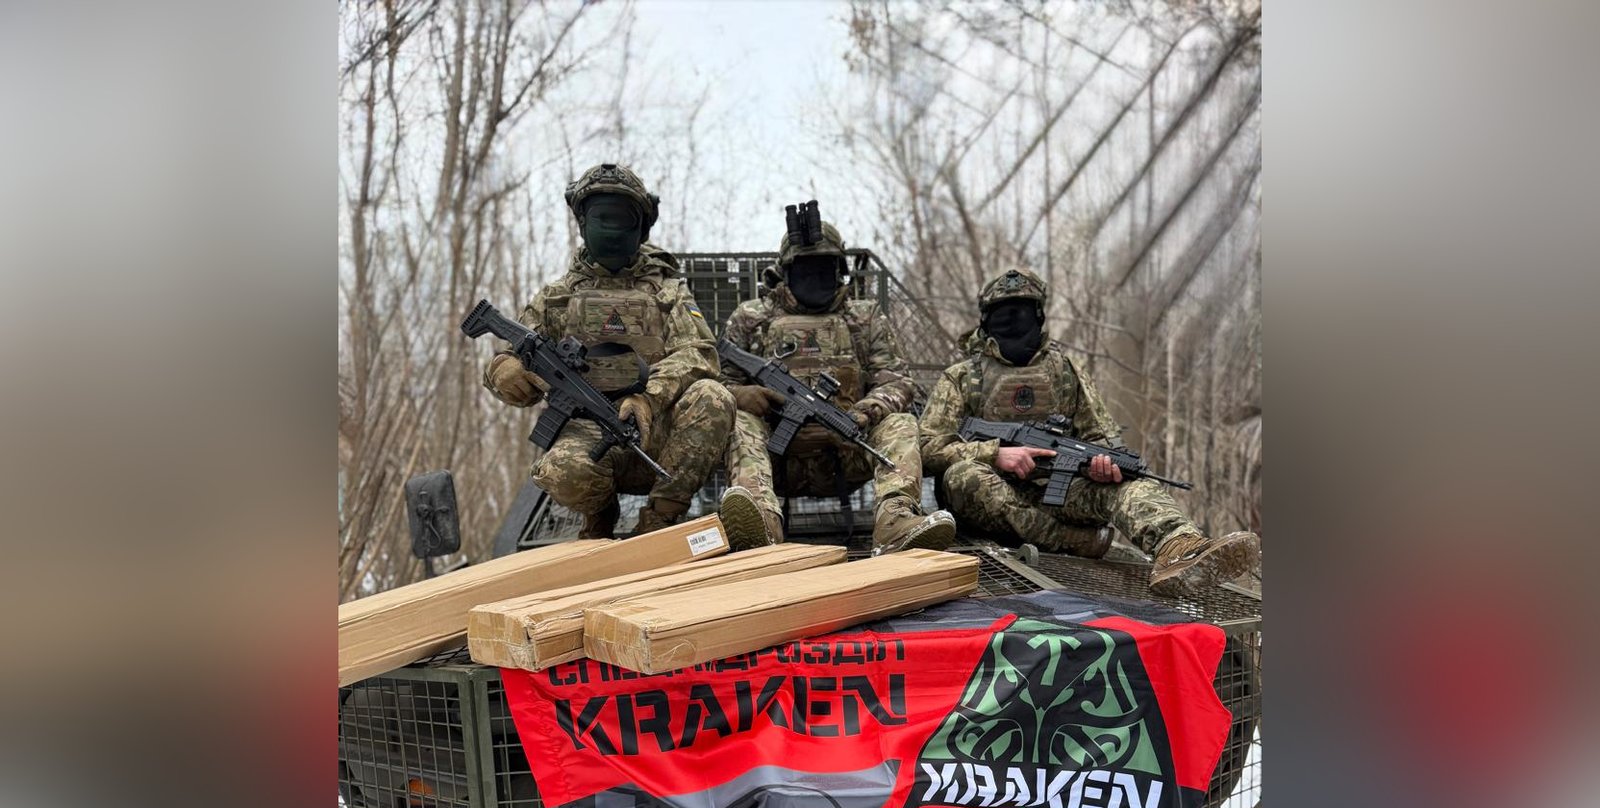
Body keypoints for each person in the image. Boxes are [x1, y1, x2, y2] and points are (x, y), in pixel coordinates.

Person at [920, 266, 1260, 597]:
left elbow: (1099, 437)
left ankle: (1179, 548)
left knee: (1131, 483)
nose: (1013, 320)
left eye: (1022, 310)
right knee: (963, 477)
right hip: (989, 501)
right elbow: (926, 446)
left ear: (1038, 315)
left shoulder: (1066, 372)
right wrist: (995, 454)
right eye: (1003, 312)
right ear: (985, 319)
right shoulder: (963, 377)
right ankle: (1071, 541)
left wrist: (1100, 466)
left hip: (1058, 492)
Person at [481, 163, 733, 537]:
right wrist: (504, 370)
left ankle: (659, 520)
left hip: (658, 439)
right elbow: (512, 355)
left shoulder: (668, 293)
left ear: (641, 226)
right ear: (583, 222)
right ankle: (600, 515)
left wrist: (647, 399)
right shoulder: (557, 297)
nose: (612, 228)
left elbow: (700, 354)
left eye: (622, 217)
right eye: (603, 216)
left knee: (713, 396)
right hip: (587, 435)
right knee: (561, 472)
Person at [715, 210, 954, 555]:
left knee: (900, 423)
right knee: (739, 421)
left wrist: (862, 413)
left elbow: (898, 381)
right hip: (774, 459)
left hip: (847, 452)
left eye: (825, 266)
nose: (815, 275)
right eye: (805, 267)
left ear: (840, 270)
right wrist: (741, 394)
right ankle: (761, 527)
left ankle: (895, 521)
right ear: (786, 271)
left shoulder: (865, 317)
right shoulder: (752, 317)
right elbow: (716, 383)